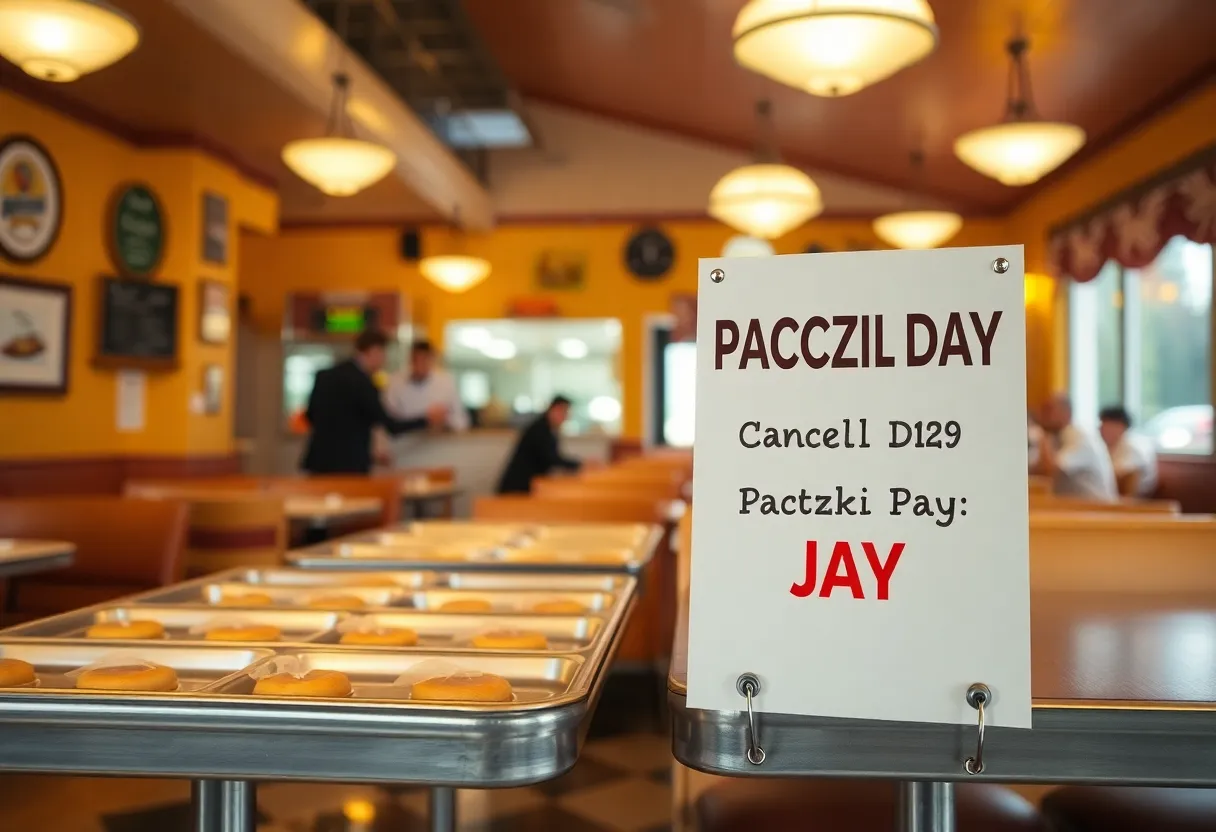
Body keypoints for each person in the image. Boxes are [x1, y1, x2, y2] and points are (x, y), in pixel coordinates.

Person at [301, 330, 446, 475]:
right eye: (383, 354)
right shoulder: (363, 383)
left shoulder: (324, 376)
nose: (384, 361)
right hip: (350, 468)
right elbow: (391, 426)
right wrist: (427, 418)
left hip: (318, 463)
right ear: (374, 351)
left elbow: (310, 416)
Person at [1030, 393, 1117, 500]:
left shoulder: (1080, 437)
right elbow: (1036, 470)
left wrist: (1043, 435)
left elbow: (1050, 469)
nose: (1040, 415)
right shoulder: (1058, 437)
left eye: (1048, 410)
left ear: (1066, 413)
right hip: (1076, 508)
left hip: (1097, 510)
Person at [496, 396, 582, 494]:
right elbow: (551, 458)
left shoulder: (547, 428)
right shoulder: (540, 430)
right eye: (563, 412)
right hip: (518, 488)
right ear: (553, 409)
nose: (565, 417)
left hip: (527, 485)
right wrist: (578, 464)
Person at [383, 339, 470, 432]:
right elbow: (388, 420)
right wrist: (425, 419)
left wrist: (444, 419)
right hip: (403, 442)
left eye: (424, 360)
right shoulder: (395, 382)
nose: (420, 365)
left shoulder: (445, 382)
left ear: (432, 360)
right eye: (416, 360)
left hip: (437, 442)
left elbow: (462, 421)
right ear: (410, 360)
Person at [1099, 405, 1158, 496]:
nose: (1101, 429)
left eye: (1107, 425)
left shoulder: (1134, 446)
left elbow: (1126, 476)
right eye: (1102, 424)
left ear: (1122, 426)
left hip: (1138, 499)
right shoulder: (1107, 445)